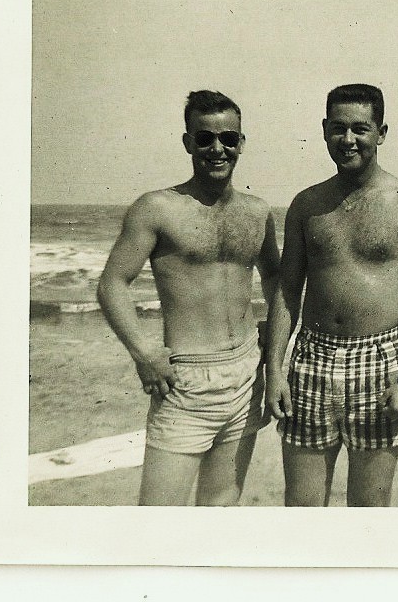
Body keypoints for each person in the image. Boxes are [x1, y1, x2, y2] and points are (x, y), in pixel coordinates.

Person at [264, 83, 398, 507]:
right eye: (338, 128)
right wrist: (274, 370)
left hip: (381, 362)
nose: (348, 140)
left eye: (360, 129)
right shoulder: (306, 205)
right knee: (302, 508)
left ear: (381, 133)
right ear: (324, 130)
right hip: (313, 359)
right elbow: (287, 291)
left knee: (369, 511)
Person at [97, 90, 280, 506]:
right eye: (205, 138)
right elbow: (112, 283)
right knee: (159, 516)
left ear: (241, 143)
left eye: (228, 138)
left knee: (221, 506)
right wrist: (144, 351)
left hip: (247, 375)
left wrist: (275, 334)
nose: (217, 149)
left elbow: (275, 276)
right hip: (185, 382)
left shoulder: (257, 212)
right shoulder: (156, 208)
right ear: (188, 142)